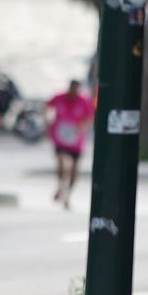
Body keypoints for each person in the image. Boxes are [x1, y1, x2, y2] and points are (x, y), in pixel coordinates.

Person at [46, 79, 93, 209]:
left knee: (74, 169)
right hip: (60, 138)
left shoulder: (84, 101)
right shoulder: (59, 98)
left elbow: (89, 119)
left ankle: (67, 195)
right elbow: (47, 108)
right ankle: (61, 186)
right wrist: (47, 123)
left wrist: (83, 127)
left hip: (76, 140)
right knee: (62, 162)